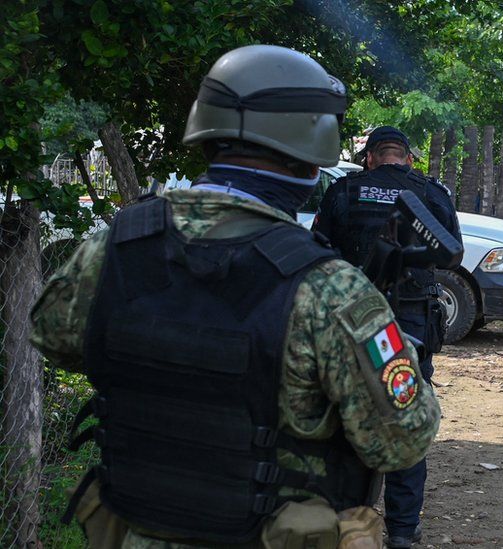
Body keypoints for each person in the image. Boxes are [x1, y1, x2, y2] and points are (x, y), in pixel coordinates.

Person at [30, 45, 440, 549]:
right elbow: (402, 439)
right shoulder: (328, 287)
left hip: (132, 528)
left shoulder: (116, 244)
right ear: (307, 141)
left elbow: (53, 337)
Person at [312, 125, 461, 549]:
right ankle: (400, 529)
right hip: (411, 319)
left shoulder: (345, 190)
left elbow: (319, 251)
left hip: (352, 316)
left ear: (370, 157)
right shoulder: (432, 193)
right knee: (405, 411)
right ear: (408, 157)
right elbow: (451, 252)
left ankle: (343, 519)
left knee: (341, 411)